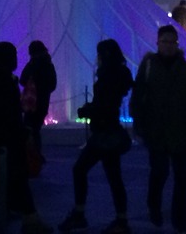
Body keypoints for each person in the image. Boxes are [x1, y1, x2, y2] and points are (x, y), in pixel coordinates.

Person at [0, 42, 51, 234]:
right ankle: (29, 218)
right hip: (4, 140)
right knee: (18, 177)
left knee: (1, 179)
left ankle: (15, 213)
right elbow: (8, 113)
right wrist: (22, 133)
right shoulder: (4, 80)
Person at [58, 39, 134, 234]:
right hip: (110, 129)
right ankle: (120, 219)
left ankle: (80, 213)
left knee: (81, 169)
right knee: (113, 176)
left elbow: (104, 105)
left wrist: (87, 111)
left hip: (103, 131)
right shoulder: (119, 74)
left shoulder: (107, 76)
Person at [130, 24, 186, 234]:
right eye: (164, 42)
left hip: (180, 130)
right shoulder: (149, 66)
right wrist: (139, 122)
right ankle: (154, 206)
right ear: (158, 43)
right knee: (160, 172)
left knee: (183, 178)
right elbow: (138, 94)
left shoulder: (185, 68)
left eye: (171, 42)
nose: (168, 46)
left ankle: (180, 220)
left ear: (176, 44)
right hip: (156, 130)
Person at [21, 39, 57, 157]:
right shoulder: (49, 65)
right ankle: (36, 155)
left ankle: (32, 156)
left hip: (31, 102)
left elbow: (22, 79)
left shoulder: (32, 64)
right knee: (35, 129)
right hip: (43, 103)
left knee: (29, 129)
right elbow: (53, 85)